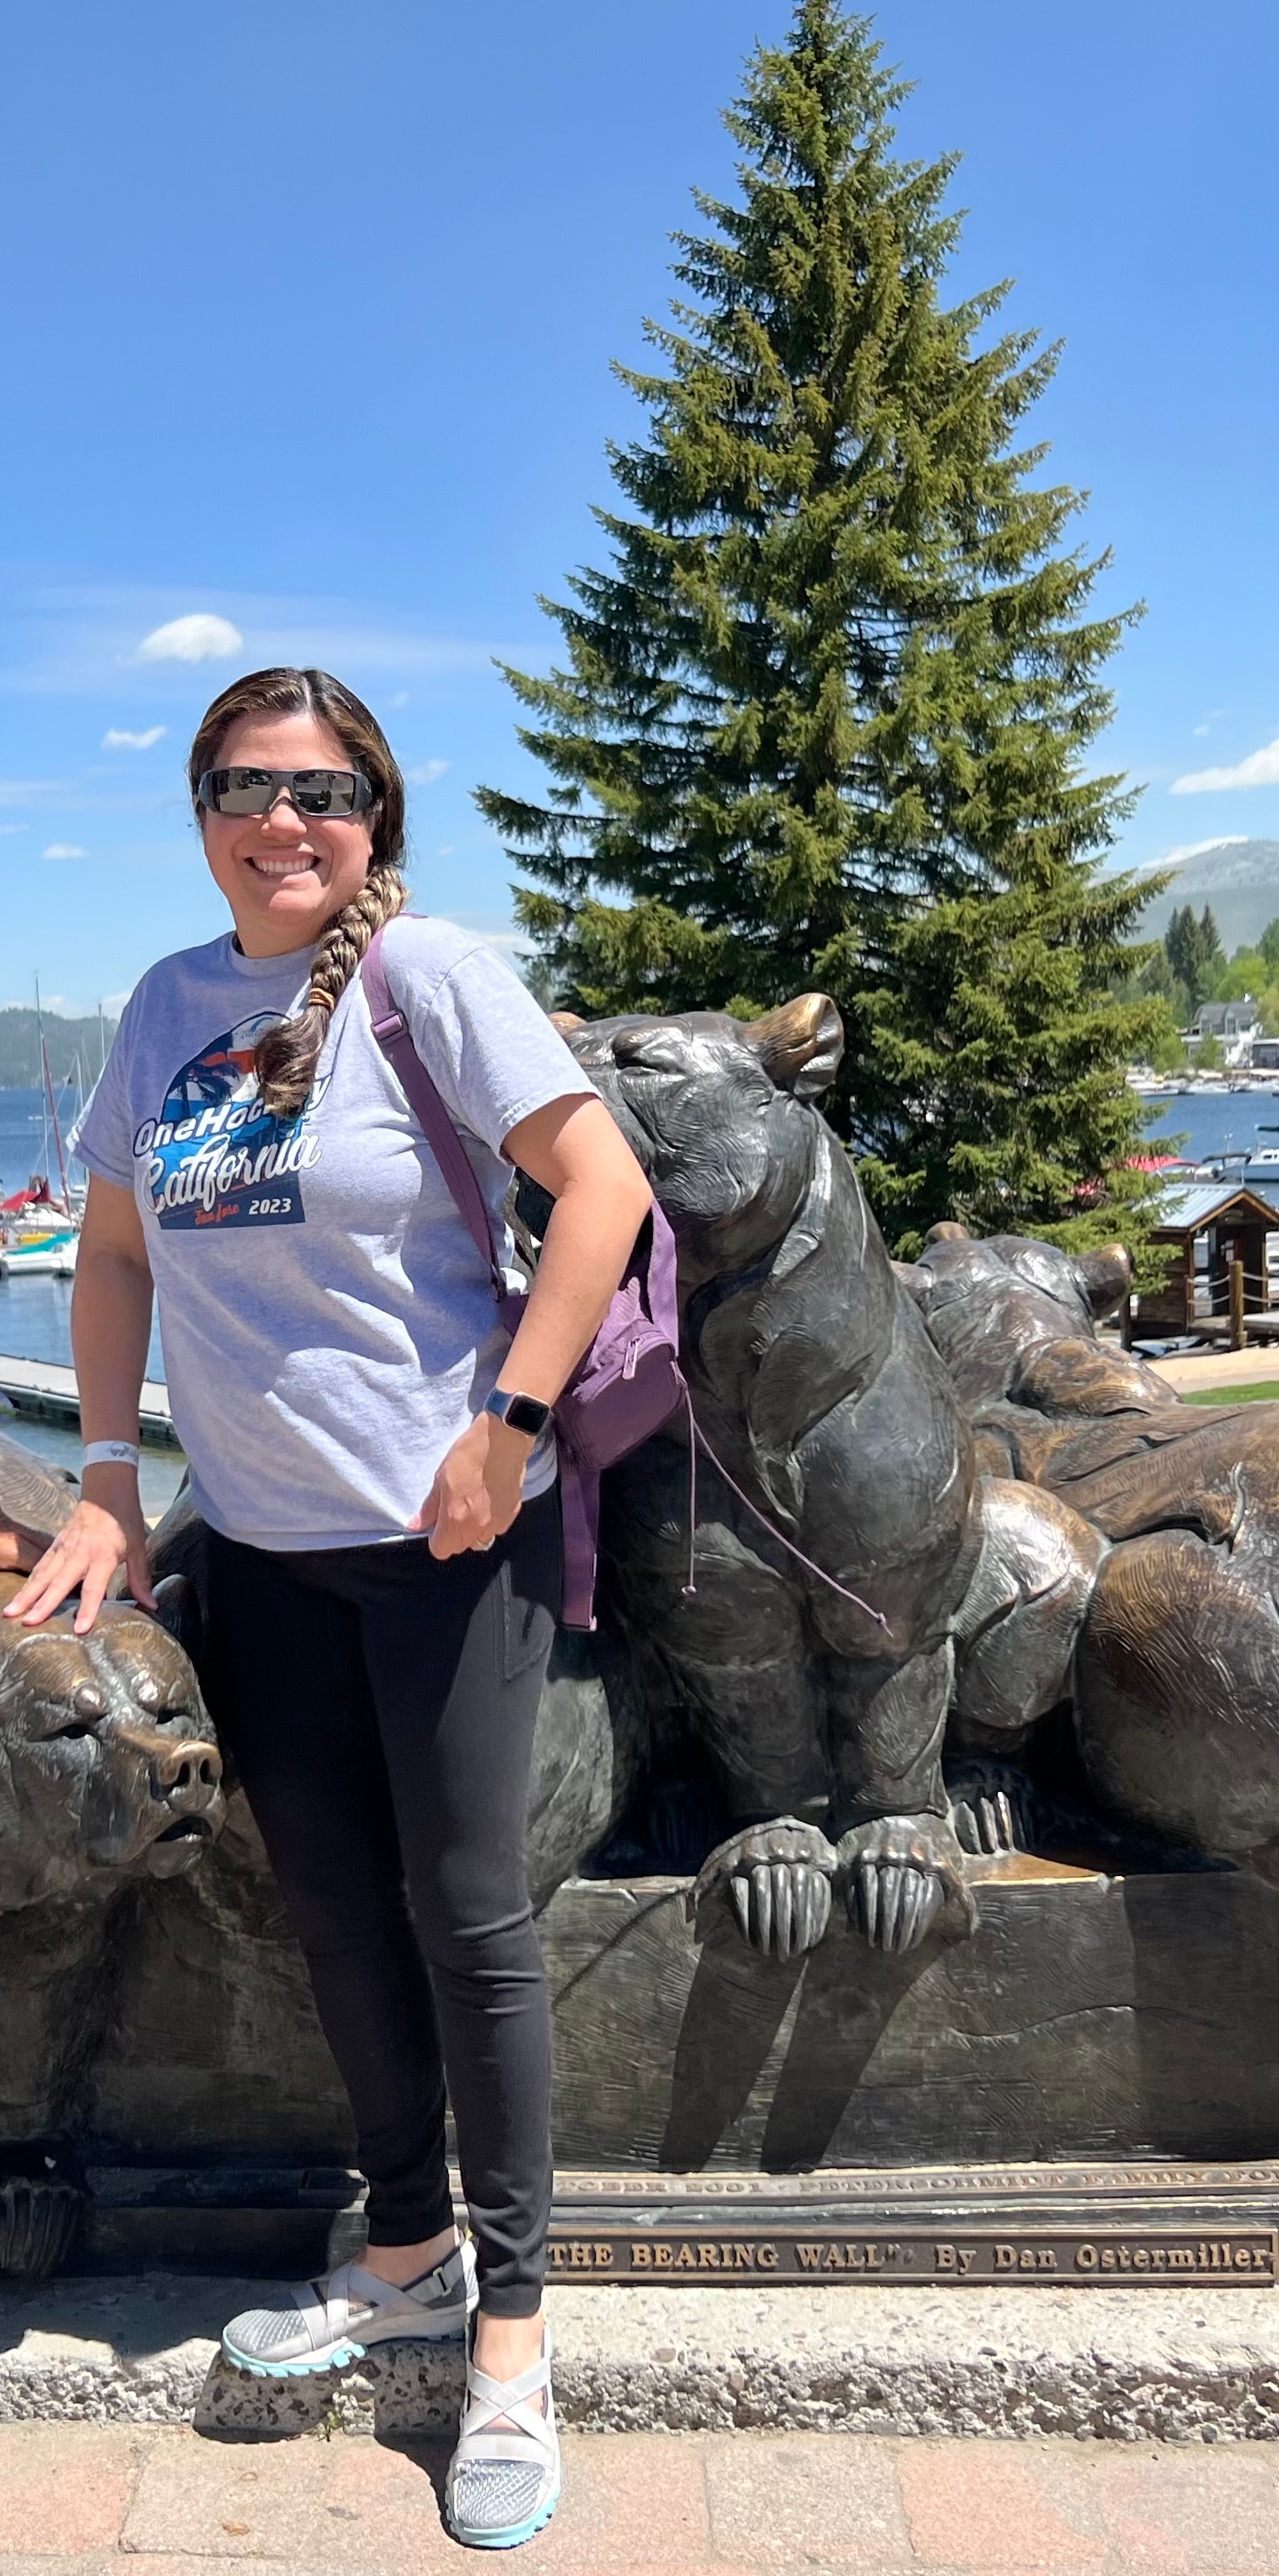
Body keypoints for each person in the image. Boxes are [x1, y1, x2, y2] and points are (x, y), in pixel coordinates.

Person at [4, 666, 653, 2549]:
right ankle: (405, 2253)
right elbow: (114, 1242)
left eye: (319, 790)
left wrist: (508, 1423)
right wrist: (115, 1479)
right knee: (332, 1912)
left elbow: (599, 1187)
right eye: (240, 786)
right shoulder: (162, 1009)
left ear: (374, 810)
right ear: (200, 811)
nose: (279, 821)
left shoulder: (428, 978)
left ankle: (515, 2346)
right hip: (261, 1542)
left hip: (450, 1536)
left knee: (469, 1921)